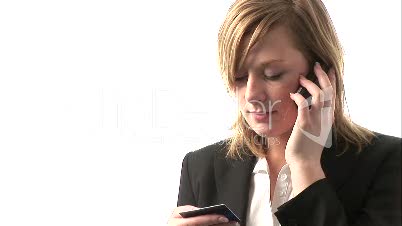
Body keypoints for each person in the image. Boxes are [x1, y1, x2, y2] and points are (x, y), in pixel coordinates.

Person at [168, 0, 401, 225]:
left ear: (318, 74)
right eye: (238, 77)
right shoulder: (201, 167)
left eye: (273, 74)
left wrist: (305, 165)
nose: (251, 95)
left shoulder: (387, 163)